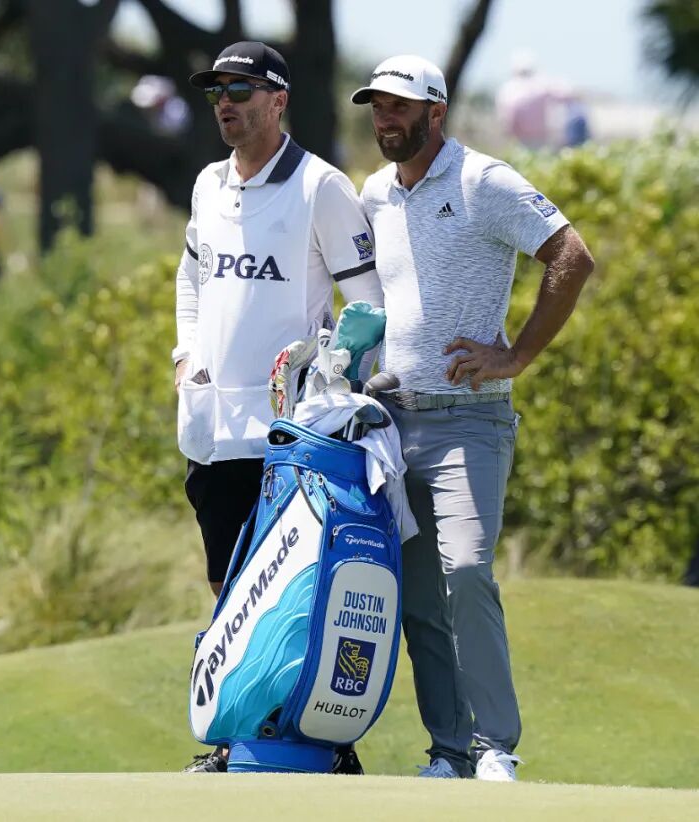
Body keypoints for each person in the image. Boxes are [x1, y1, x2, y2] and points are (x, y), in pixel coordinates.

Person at [350, 55, 595, 781]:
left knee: (465, 570)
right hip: (392, 423)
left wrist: (516, 355)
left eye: (399, 107)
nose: (385, 119)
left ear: (436, 112)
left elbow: (572, 255)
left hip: (469, 422)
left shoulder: (483, 180)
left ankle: (495, 747)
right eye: (377, 107)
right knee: (419, 597)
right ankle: (449, 752)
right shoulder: (374, 193)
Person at [173, 41, 384, 775]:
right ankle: (240, 737)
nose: (224, 104)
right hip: (211, 427)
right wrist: (184, 354)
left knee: (294, 589)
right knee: (227, 589)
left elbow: (368, 308)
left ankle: (322, 742)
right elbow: (191, 279)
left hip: (289, 436)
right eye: (216, 92)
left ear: (278, 100)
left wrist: (328, 379)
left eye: (240, 90)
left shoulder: (321, 187)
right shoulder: (207, 184)